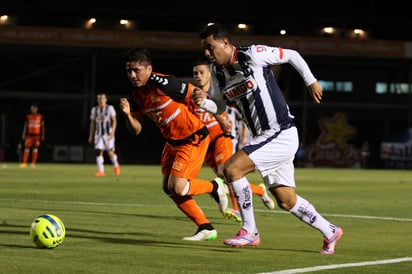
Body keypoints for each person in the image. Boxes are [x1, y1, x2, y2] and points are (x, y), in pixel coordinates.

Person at [193, 23, 343, 254]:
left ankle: (250, 231)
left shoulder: (252, 54)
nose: (207, 53)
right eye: (204, 49)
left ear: (225, 43)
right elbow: (220, 105)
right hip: (264, 138)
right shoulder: (217, 72)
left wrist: (310, 80)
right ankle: (330, 230)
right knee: (286, 200)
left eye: (210, 47)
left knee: (231, 169)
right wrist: (204, 102)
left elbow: (291, 55)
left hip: (280, 132)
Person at [118, 48, 228, 241]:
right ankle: (205, 227)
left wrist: (220, 118)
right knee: (168, 188)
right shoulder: (135, 95)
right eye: (129, 71)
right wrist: (127, 114)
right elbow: (136, 130)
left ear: (149, 69)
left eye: (137, 70)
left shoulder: (164, 83)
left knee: (178, 187)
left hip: (192, 137)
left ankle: (214, 187)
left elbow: (196, 94)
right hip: (172, 142)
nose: (133, 75)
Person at [191, 55, 275, 224]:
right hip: (206, 142)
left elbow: (237, 113)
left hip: (222, 137)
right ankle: (259, 190)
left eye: (201, 72)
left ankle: (236, 210)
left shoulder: (219, 92)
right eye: (195, 74)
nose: (198, 76)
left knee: (227, 174)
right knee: (227, 179)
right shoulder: (191, 94)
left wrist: (226, 123)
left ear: (210, 74)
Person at [88, 93, 121, 176]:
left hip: (108, 134)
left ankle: (116, 165)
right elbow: (92, 123)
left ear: (106, 99)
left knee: (109, 152)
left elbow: (114, 121)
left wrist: (112, 133)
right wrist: (90, 135)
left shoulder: (110, 108)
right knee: (99, 151)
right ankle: (101, 171)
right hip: (98, 134)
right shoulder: (94, 110)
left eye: (102, 98)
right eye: (99, 98)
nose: (101, 100)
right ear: (97, 100)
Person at [20, 104, 45, 168]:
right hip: (29, 135)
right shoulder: (28, 117)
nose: (33, 110)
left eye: (34, 108)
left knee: (35, 149)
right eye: (32, 109)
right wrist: (23, 134)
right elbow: (25, 125)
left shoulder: (40, 116)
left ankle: (33, 163)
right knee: (27, 148)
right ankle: (24, 163)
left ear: (36, 109)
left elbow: (42, 126)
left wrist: (43, 134)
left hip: (37, 135)